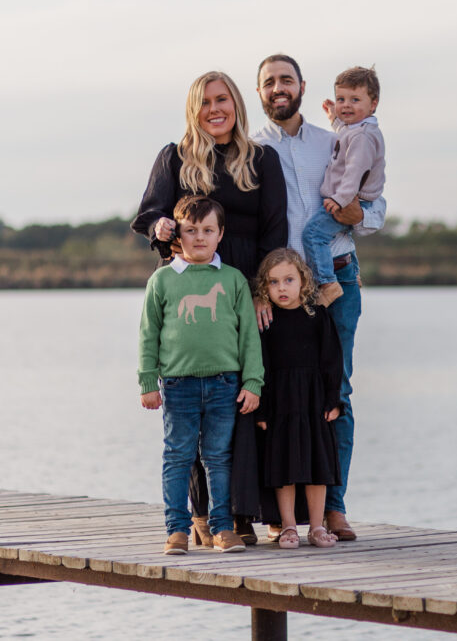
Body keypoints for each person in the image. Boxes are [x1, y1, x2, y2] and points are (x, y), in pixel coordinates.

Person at [132, 70, 287, 548]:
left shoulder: (263, 158)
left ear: (236, 104)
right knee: (194, 400)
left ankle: (240, 515)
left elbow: (275, 228)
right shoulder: (175, 156)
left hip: (247, 287)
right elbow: (148, 215)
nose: (215, 109)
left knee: (242, 399)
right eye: (205, 102)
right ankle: (200, 515)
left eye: (222, 100)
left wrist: (262, 290)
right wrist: (161, 227)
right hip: (191, 281)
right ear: (194, 110)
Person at [253, 54, 387, 541]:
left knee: (337, 394)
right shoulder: (251, 150)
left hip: (336, 280)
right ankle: (277, 516)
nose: (278, 88)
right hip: (277, 294)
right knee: (276, 398)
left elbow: (377, 209)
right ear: (260, 91)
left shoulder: (338, 139)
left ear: (303, 87)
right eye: (269, 82)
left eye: (286, 79)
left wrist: (356, 216)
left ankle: (333, 508)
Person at [137, 195, 263, 555]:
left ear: (220, 234)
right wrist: (148, 381)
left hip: (225, 383)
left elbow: (248, 337)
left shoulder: (234, 280)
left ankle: (223, 528)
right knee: (177, 455)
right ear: (178, 235)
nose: (200, 237)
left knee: (219, 457)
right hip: (178, 385)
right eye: (191, 230)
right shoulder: (162, 281)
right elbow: (148, 333)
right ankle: (177, 529)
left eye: (208, 230)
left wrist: (253, 381)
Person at [253, 248, 342, 549]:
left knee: (317, 465)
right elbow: (260, 364)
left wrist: (333, 400)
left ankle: (317, 527)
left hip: (314, 400)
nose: (281, 288)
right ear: (264, 288)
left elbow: (332, 360)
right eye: (273, 282)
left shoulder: (318, 316)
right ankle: (288, 526)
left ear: (303, 282)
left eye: (288, 280)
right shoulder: (266, 321)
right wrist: (262, 408)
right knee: (284, 465)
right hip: (280, 402)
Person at [303, 66, 386, 307]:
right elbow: (345, 134)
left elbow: (354, 173)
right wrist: (335, 119)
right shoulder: (357, 130)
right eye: (341, 99)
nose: (346, 105)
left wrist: (339, 199)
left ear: (373, 104)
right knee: (333, 234)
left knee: (313, 234)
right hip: (353, 198)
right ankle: (350, 273)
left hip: (351, 199)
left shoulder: (362, 137)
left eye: (355, 100)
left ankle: (328, 284)